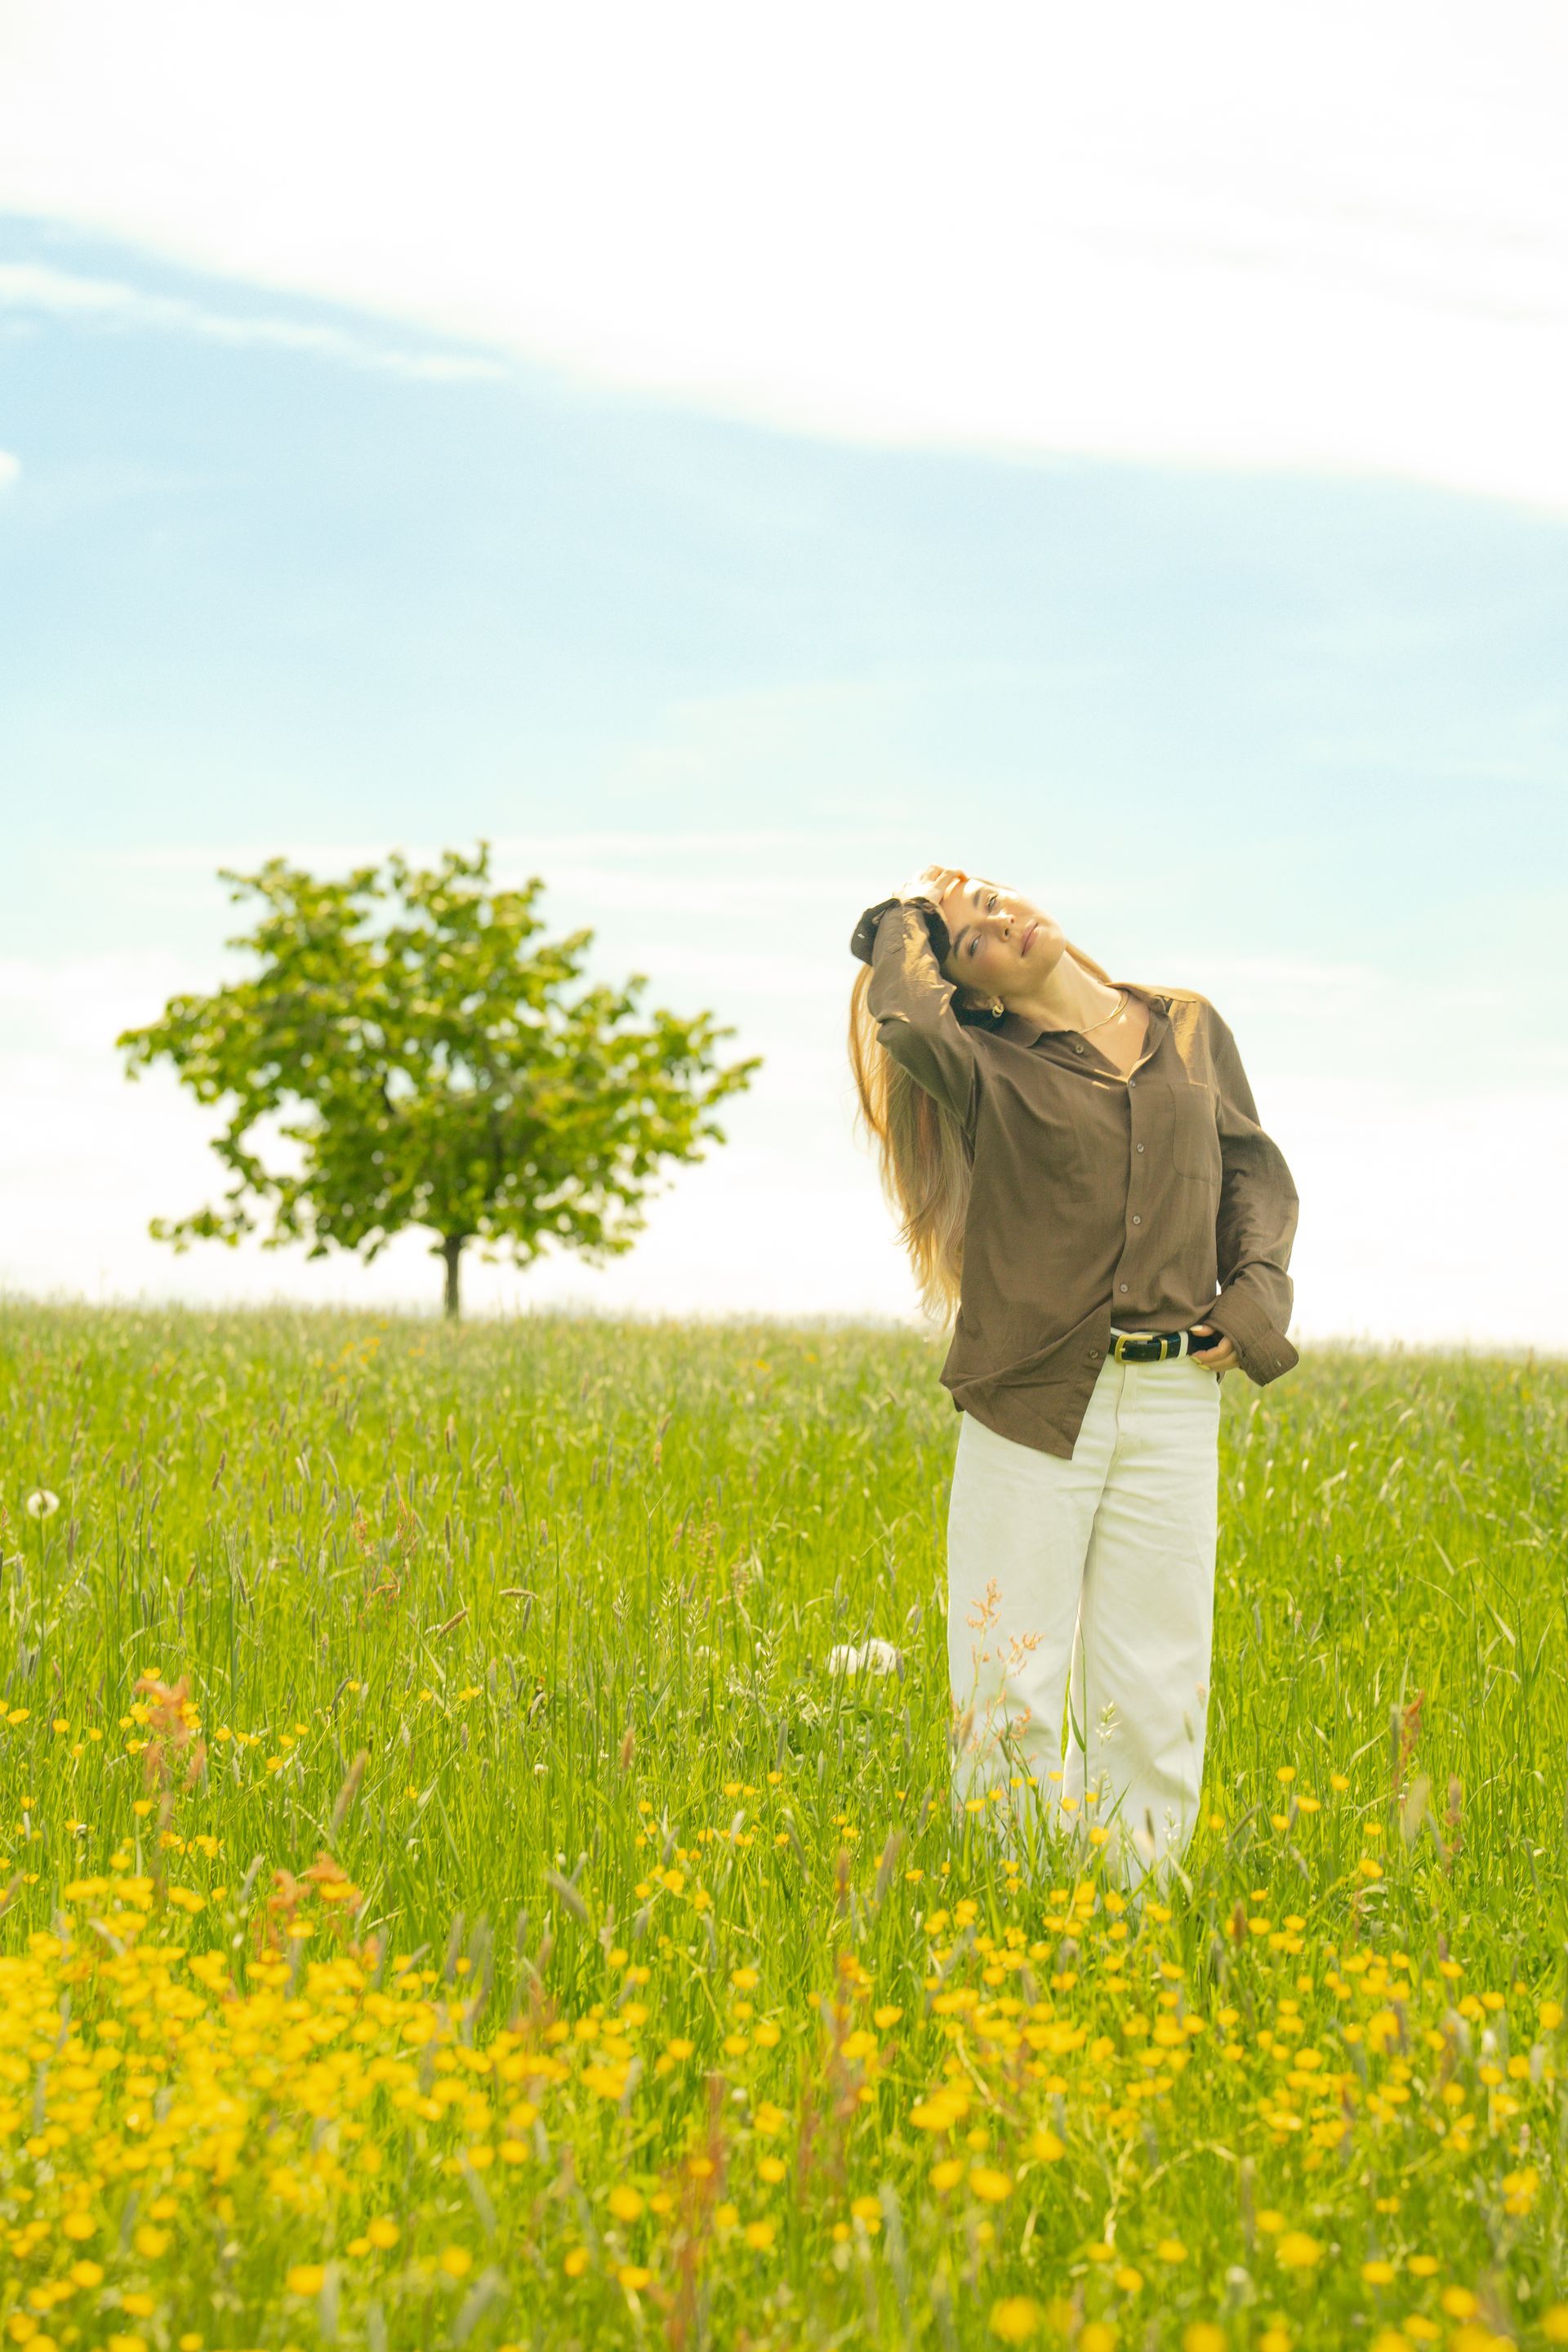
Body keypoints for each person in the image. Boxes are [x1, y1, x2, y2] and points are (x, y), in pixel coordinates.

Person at [848, 865, 1300, 1887]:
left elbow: (1253, 1174)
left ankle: (1135, 1915)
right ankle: (1016, 1906)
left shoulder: (1189, 1026)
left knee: (1158, 1684)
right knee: (1008, 1680)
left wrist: (1255, 1297)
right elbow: (906, 1017)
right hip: (1033, 1398)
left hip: (1175, 1399)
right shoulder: (978, 1060)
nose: (1001, 922)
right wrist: (909, 916)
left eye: (992, 900)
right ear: (972, 993)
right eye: (973, 941)